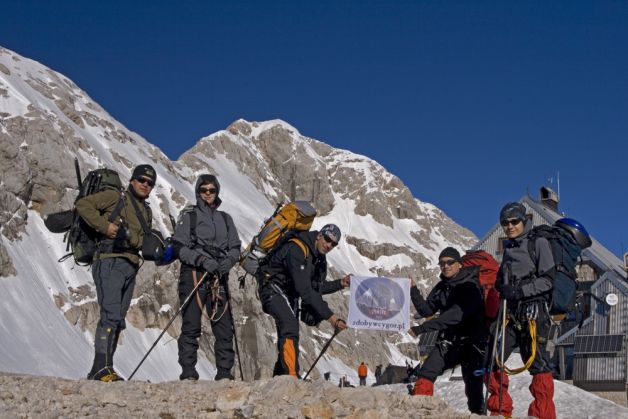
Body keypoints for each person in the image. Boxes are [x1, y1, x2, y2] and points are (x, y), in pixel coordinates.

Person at [76, 164, 157, 381]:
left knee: (118, 319)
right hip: (109, 261)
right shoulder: (115, 196)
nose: (145, 185)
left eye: (150, 183)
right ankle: (102, 368)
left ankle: (102, 369)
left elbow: (138, 240)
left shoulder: (146, 211)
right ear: (132, 180)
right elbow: (83, 205)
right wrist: (105, 226)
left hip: (130, 265)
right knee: (110, 315)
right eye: (142, 180)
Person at [486, 202, 557, 419]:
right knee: (493, 357)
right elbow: (502, 281)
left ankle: (542, 414)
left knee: (537, 363)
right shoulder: (508, 249)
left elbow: (548, 280)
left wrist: (519, 291)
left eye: (514, 221)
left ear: (524, 221)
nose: (510, 226)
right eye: (505, 223)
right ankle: (500, 411)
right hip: (511, 314)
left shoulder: (539, 243)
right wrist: (501, 286)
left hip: (535, 312)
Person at [172, 174, 241, 381]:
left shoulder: (226, 219)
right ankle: (188, 371)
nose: (208, 194)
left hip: (218, 274)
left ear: (217, 192)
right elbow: (179, 247)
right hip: (194, 271)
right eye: (204, 190)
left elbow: (235, 246)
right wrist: (202, 260)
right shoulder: (189, 216)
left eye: (212, 190)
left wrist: (228, 261)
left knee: (223, 327)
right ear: (198, 192)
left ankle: (224, 373)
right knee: (191, 325)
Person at [257, 223, 350, 377]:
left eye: (333, 244)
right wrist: (332, 318)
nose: (328, 245)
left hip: (289, 293)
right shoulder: (297, 248)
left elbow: (316, 287)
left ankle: (281, 377)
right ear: (319, 235)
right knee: (289, 325)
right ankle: (292, 377)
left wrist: (341, 283)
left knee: (289, 333)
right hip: (272, 288)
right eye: (327, 239)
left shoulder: (317, 258)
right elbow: (305, 290)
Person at [408, 247, 487, 414]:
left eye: (450, 262)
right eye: (442, 263)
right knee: (425, 374)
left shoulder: (470, 284)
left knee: (474, 392)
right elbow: (426, 310)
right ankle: (421, 413)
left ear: (459, 264)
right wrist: (413, 290)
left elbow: (455, 315)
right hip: (448, 341)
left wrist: (422, 328)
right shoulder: (441, 287)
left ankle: (479, 415)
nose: (445, 266)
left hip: (471, 343)